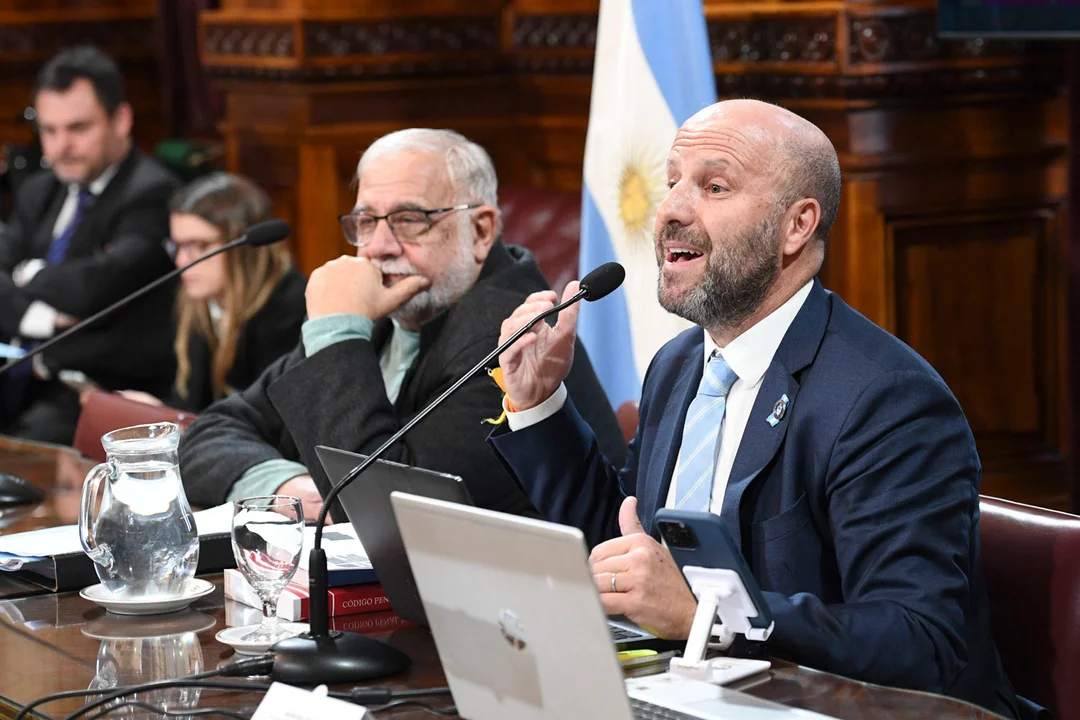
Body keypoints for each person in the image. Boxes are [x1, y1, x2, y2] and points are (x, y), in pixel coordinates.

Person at [489, 100, 1026, 718]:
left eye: (714, 187)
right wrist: (538, 404)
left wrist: (702, 612)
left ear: (797, 225)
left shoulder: (887, 399)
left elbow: (917, 640)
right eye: (671, 183)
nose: (671, 210)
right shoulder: (680, 363)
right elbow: (629, 549)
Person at [178, 128, 626, 523]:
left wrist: (335, 331)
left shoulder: (508, 335)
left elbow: (387, 512)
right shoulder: (384, 310)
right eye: (366, 221)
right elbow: (209, 434)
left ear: (482, 230)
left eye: (410, 220)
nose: (377, 247)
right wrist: (286, 488)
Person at [0, 46, 178, 443]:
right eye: (48, 130)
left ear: (121, 120)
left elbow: (95, 287)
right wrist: (44, 319)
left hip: (94, 392)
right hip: (19, 375)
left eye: (78, 128)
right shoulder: (39, 190)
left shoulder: (152, 193)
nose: (60, 146)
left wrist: (27, 274)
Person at [116, 172, 306, 413]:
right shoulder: (196, 303)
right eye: (177, 246)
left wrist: (176, 421)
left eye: (199, 246)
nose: (182, 261)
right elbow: (194, 404)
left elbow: (269, 419)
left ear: (243, 247)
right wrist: (160, 413)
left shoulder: (290, 309)